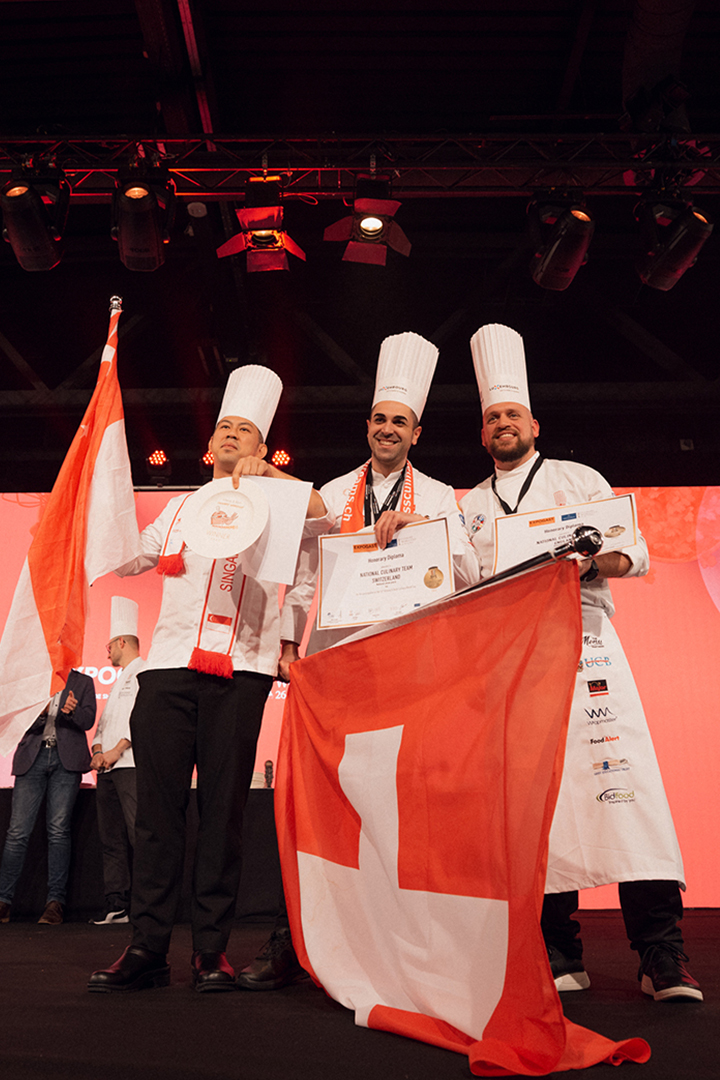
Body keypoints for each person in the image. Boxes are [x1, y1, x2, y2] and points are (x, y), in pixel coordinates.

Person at [460, 322, 702, 1003]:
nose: (503, 424)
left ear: (534, 422)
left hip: (589, 651)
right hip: (513, 664)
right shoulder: (471, 506)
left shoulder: (577, 479)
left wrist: (593, 561)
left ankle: (662, 955)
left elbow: (637, 555)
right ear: (483, 435)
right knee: (536, 807)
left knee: (630, 797)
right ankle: (560, 953)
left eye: (512, 413)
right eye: (492, 418)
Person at [238, 331, 480, 991]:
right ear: (367, 425)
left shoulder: (438, 499)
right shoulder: (333, 491)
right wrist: (289, 641)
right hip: (337, 663)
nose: (387, 429)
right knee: (318, 800)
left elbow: (464, 571)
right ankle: (293, 943)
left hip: (410, 667)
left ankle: (403, 946)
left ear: (416, 432)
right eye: (379, 419)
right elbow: (305, 573)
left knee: (404, 806)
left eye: (398, 421)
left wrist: (422, 533)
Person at [88, 365, 328, 994]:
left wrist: (272, 477)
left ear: (260, 446)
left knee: (221, 812)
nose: (229, 435)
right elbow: (127, 553)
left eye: (244, 429)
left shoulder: (280, 501)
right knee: (158, 817)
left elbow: (329, 519)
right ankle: (145, 947)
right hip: (165, 672)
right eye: (224, 425)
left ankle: (211, 951)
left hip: (242, 672)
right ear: (210, 442)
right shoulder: (181, 506)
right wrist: (98, 493)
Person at [0, 670, 96, 925]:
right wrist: (38, 714)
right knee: (17, 832)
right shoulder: (33, 677)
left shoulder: (83, 681)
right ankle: (3, 901)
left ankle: (55, 903)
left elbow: (88, 720)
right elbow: (13, 720)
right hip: (33, 757)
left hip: (67, 762)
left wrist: (72, 712)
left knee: (58, 831)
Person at [89, 596, 144, 926]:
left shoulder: (144, 672)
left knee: (138, 835)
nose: (106, 651)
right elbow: (105, 724)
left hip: (130, 767)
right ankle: (117, 904)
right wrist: (97, 750)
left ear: (122, 642)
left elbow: (138, 720)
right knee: (111, 840)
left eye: (109, 644)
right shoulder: (119, 678)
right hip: (107, 769)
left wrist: (115, 751)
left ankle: (145, 906)